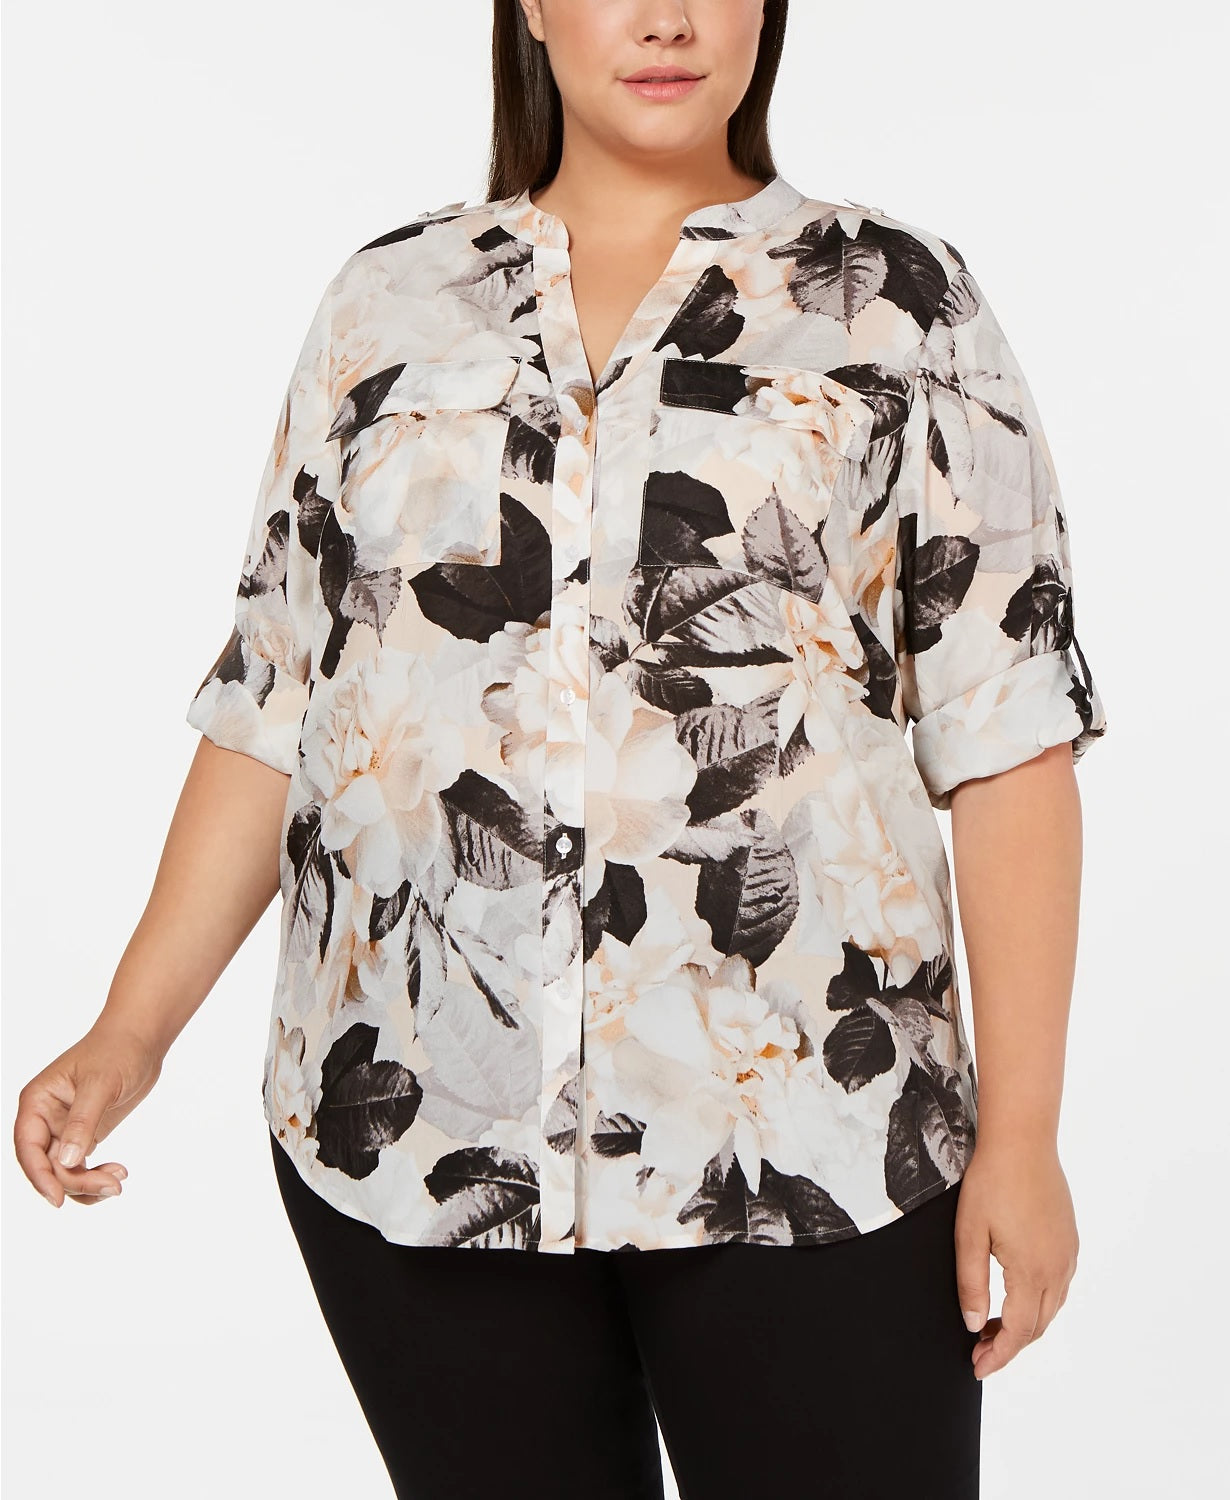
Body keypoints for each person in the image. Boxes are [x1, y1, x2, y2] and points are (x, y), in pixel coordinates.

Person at [13, 1, 1109, 1495]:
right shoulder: (387, 303)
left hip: (808, 1133)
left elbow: (1009, 733)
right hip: (419, 1137)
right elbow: (279, 697)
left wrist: (1024, 1138)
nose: (665, 18)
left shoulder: (898, 307)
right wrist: (130, 1032)